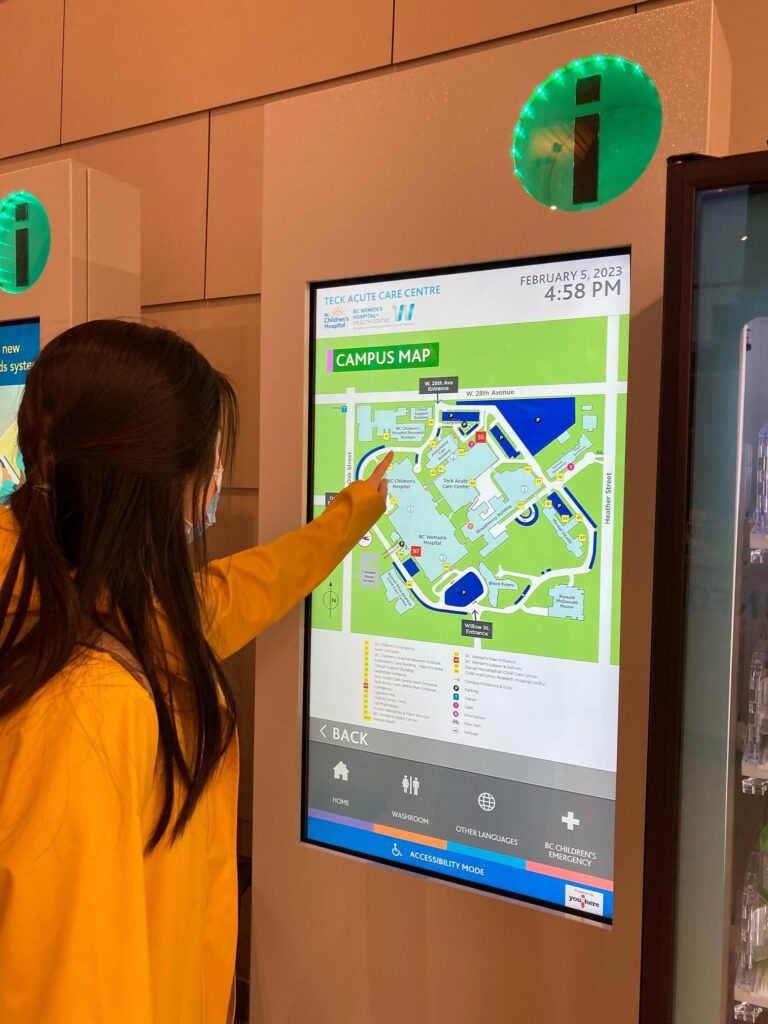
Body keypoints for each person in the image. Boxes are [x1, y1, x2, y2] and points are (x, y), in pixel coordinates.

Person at [0, 320, 392, 1024]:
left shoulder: (67, 597)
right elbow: (66, 991)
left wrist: (350, 516)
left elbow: (235, 592)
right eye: (212, 459)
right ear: (163, 480)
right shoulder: (90, 703)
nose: (217, 481)